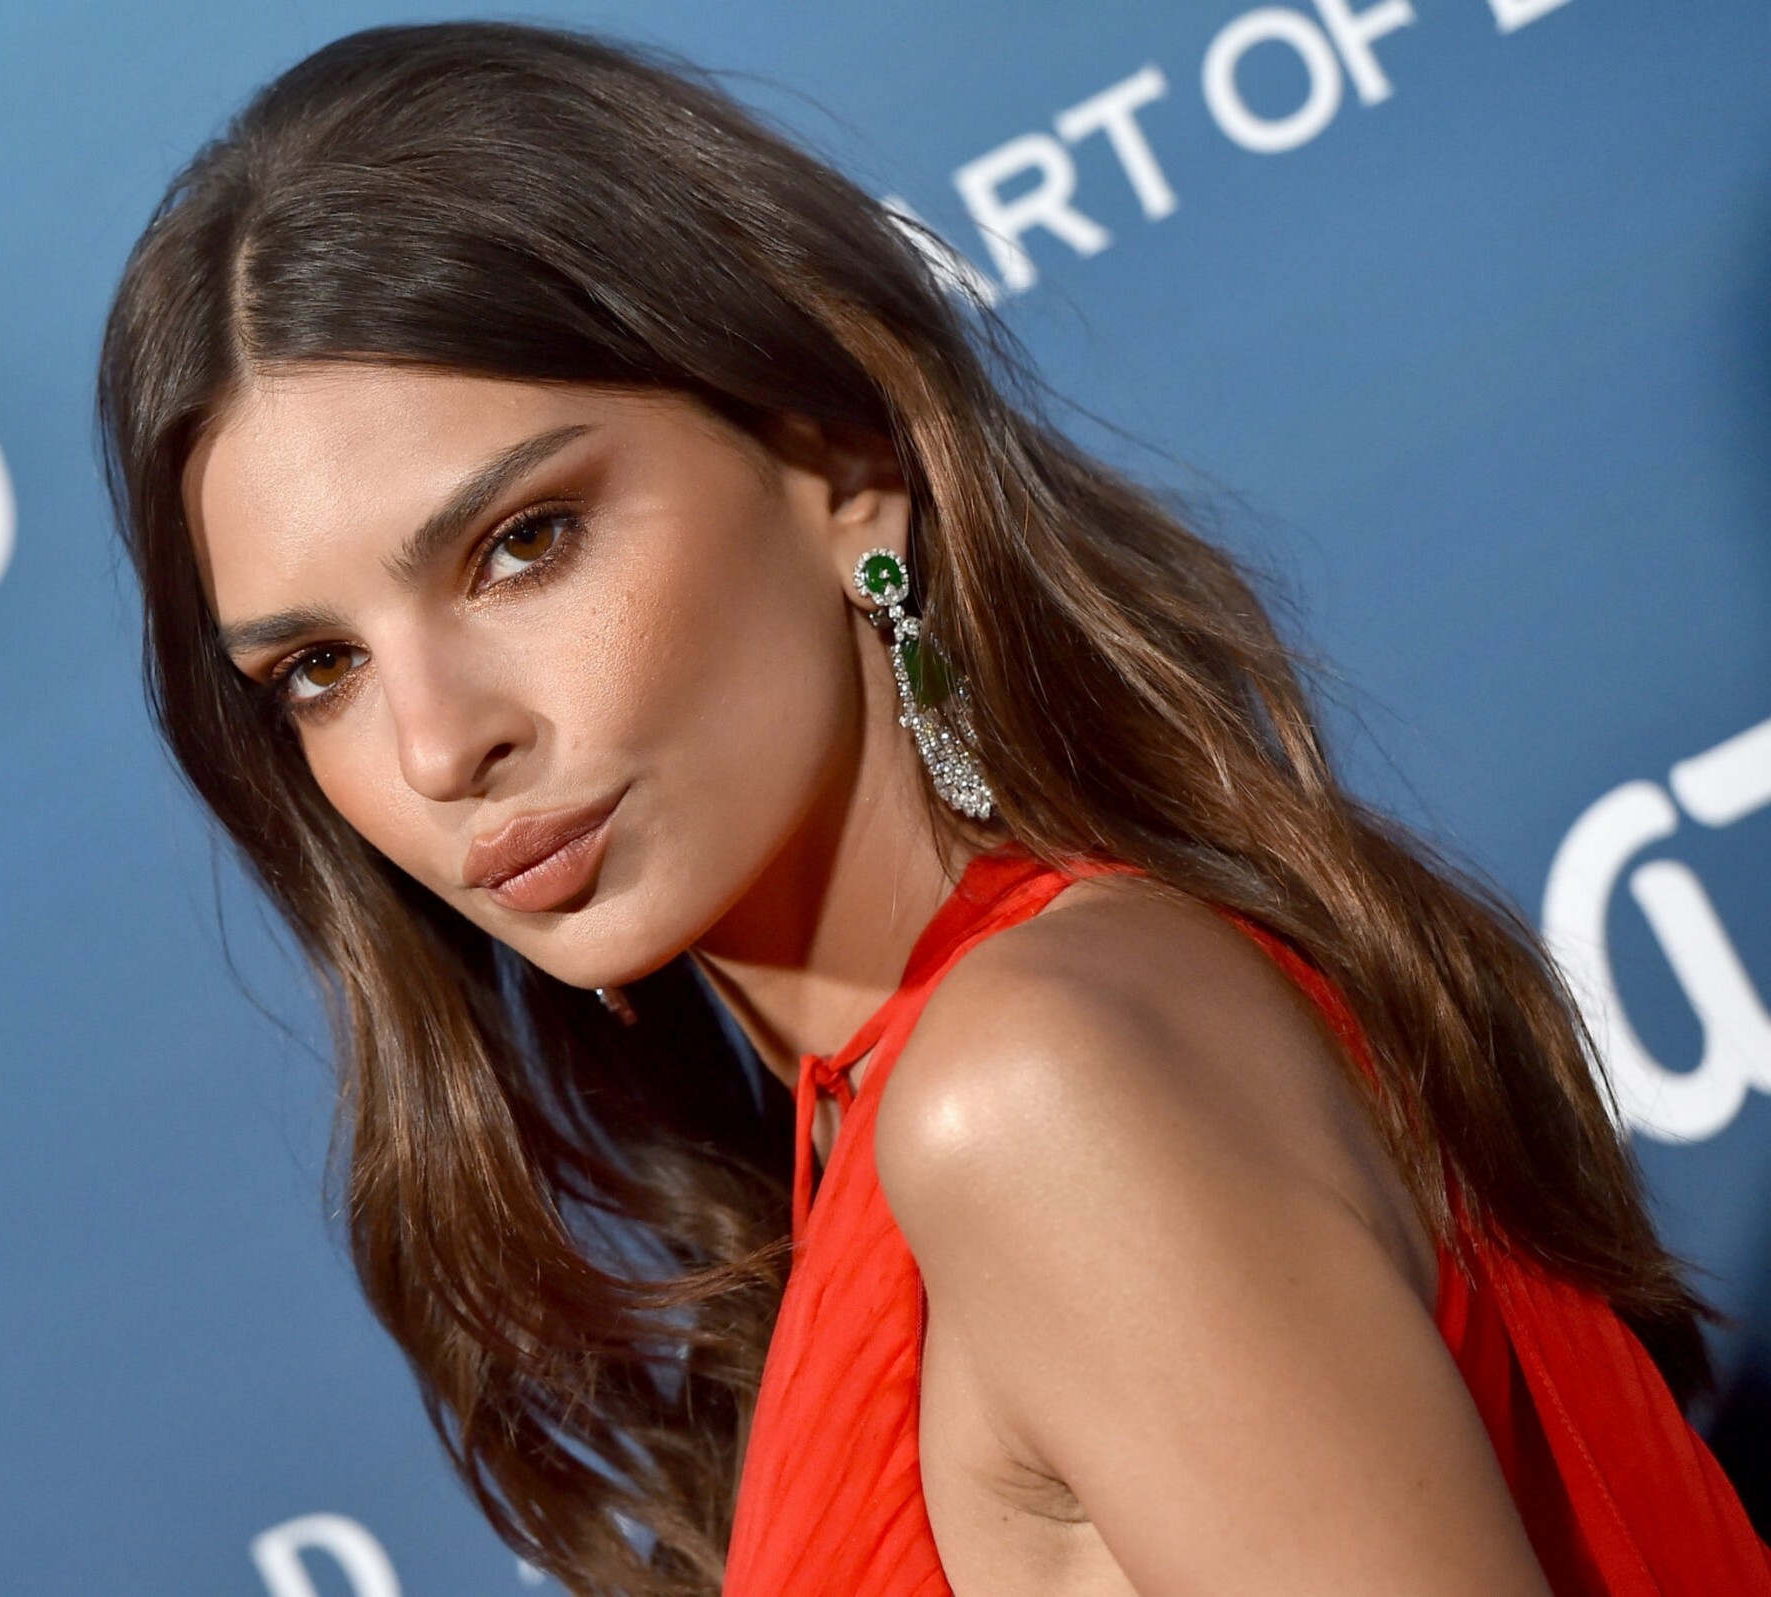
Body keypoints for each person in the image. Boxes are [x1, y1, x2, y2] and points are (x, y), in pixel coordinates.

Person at [95, 20, 1769, 1596]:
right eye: (319, 668)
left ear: (844, 468)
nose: (436, 743)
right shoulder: (907, 1122)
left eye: (522, 543)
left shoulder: (1037, 1086)